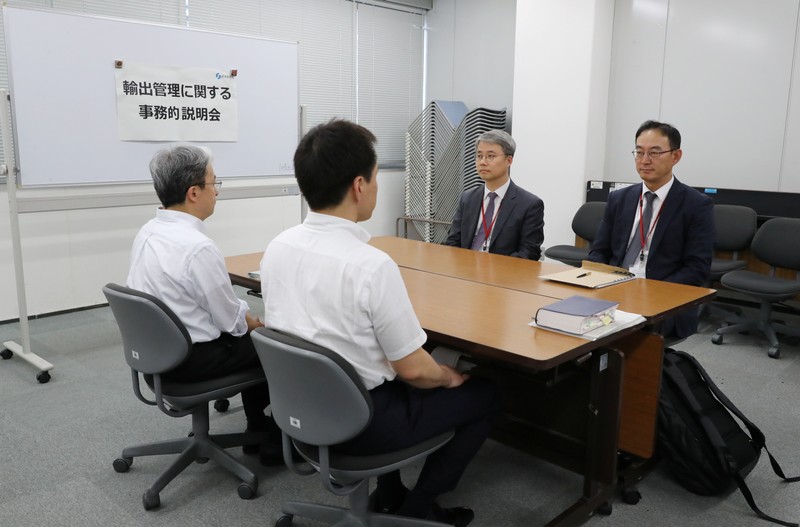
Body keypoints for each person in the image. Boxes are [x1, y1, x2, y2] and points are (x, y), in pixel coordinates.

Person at [261, 119, 500, 526]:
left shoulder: (276, 248)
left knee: (382, 372)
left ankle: (390, 490)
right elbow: (414, 371)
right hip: (363, 424)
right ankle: (419, 506)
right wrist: (449, 378)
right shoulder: (370, 266)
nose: (376, 186)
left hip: (300, 414)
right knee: (485, 392)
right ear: (359, 186)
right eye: (374, 177)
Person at [126, 144, 282, 465]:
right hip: (190, 361)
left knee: (254, 334)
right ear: (194, 192)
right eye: (214, 183)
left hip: (154, 358)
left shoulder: (148, 232)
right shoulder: (197, 247)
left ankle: (258, 430)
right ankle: (266, 435)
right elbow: (231, 321)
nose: (217, 192)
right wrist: (256, 323)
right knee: (275, 343)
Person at [588, 120, 714, 339]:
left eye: (655, 153)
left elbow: (697, 268)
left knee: (626, 345)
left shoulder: (695, 204)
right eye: (639, 152)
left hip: (662, 297)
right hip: (614, 290)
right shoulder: (619, 199)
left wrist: (649, 291)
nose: (644, 160)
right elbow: (599, 251)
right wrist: (604, 283)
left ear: (676, 156)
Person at [444, 129, 544, 260]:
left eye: (491, 156)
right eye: (479, 156)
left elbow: (529, 253)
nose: (483, 162)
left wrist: (492, 270)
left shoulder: (529, 204)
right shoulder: (468, 198)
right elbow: (453, 242)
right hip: (465, 270)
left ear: (509, 160)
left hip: (502, 275)